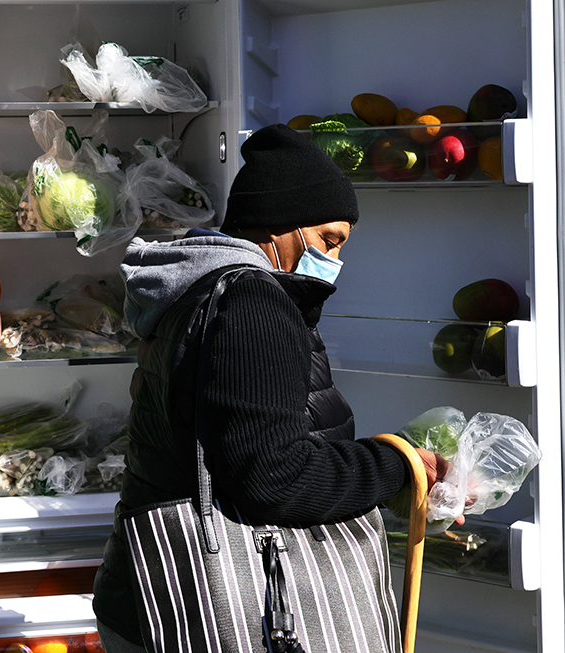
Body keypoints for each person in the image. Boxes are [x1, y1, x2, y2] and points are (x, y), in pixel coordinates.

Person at [91, 124, 454, 652]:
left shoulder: (194, 289)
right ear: (281, 224)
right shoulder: (251, 302)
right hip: (204, 609)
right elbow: (272, 477)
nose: (335, 260)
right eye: (330, 240)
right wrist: (397, 465)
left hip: (149, 596)